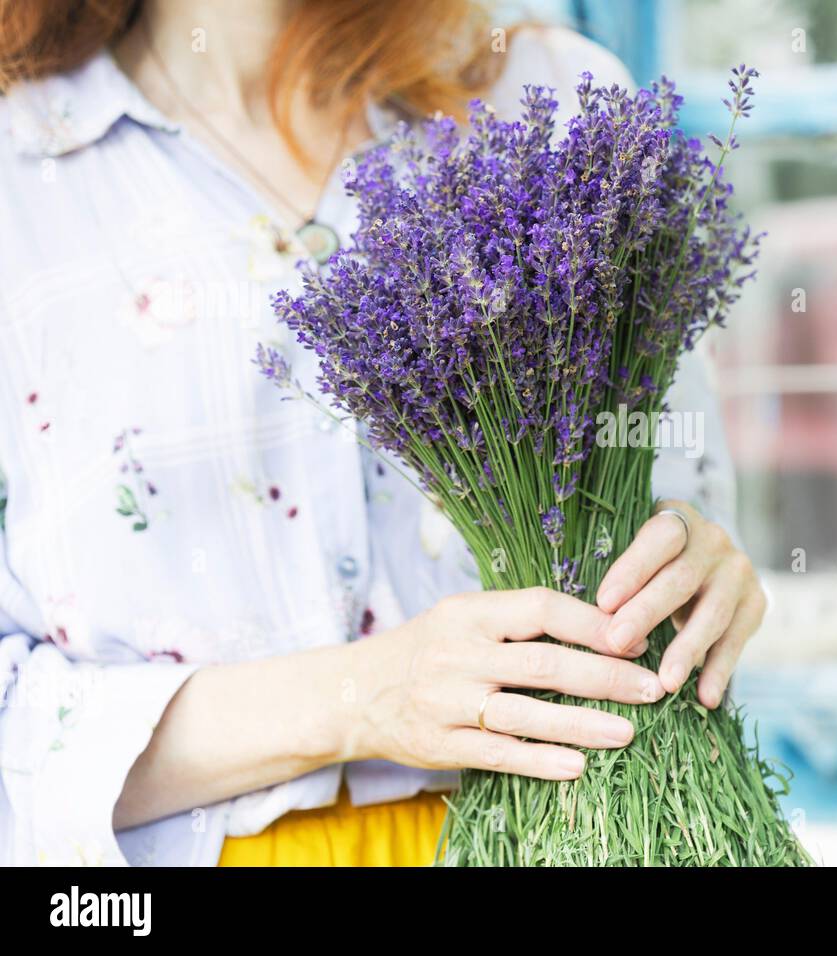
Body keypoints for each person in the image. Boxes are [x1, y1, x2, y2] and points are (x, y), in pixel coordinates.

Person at [0, 0, 767, 866]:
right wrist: (366, 696)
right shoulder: (23, 178)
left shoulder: (547, 94)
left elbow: (675, 486)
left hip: (577, 832)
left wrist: (692, 564)